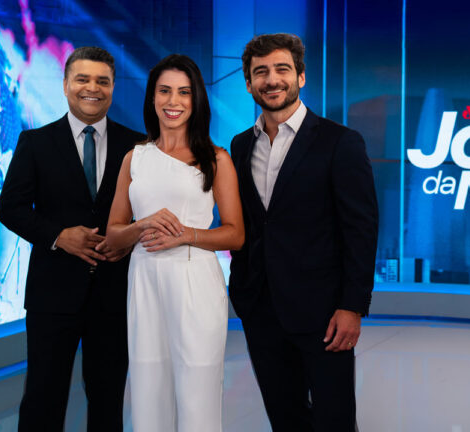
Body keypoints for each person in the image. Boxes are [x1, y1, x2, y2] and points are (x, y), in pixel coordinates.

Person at [228, 33, 379, 431]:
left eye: (282, 69)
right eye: (260, 72)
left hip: (324, 314)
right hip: (260, 309)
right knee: (285, 418)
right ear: (248, 83)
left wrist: (352, 306)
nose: (271, 80)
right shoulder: (240, 145)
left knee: (334, 420)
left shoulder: (340, 142)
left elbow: (360, 229)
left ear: (301, 76)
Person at [0, 46, 145, 431]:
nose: (92, 88)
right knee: (43, 399)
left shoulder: (140, 146)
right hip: (52, 295)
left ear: (113, 87)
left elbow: (146, 211)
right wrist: (58, 236)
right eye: (82, 79)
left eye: (102, 81)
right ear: (66, 85)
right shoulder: (36, 142)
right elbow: (10, 208)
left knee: (108, 399)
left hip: (115, 295)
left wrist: (128, 237)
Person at [105, 54, 244, 432]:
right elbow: (113, 235)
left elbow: (235, 233)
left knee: (197, 388)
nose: (174, 101)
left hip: (194, 281)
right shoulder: (134, 158)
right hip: (145, 279)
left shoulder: (216, 160)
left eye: (184, 92)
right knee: (148, 388)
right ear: (152, 98)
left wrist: (188, 234)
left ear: (196, 100)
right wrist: (142, 225)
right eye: (165, 91)